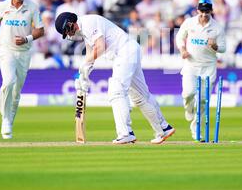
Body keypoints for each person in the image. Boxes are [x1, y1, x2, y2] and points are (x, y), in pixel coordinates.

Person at [54, 12, 175, 144]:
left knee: (116, 92)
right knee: (140, 95)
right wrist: (83, 75)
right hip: (128, 52)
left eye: (67, 30)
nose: (69, 34)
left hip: (124, 52)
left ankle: (125, 133)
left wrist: (83, 65)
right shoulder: (84, 31)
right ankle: (164, 128)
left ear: (71, 22)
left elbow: (100, 47)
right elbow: (90, 54)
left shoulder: (88, 23)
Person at [0, 0, 44, 139]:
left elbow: (40, 30)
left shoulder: (32, 7)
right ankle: (5, 119)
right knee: (8, 82)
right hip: (6, 50)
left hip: (24, 53)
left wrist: (27, 38)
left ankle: (9, 123)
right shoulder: (2, 6)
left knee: (16, 91)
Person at [175, 0, 226, 140]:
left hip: (209, 67)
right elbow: (180, 37)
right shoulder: (189, 22)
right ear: (198, 10)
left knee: (204, 101)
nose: (204, 14)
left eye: (207, 11)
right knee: (188, 93)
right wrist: (183, 49)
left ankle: (196, 131)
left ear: (211, 11)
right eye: (202, 11)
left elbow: (223, 48)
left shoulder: (217, 27)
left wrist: (215, 46)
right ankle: (189, 108)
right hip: (191, 65)